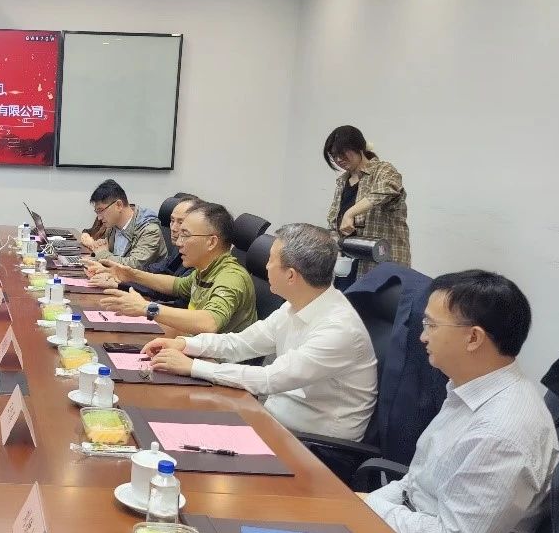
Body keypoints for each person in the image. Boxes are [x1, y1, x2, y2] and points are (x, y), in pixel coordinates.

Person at [365, 270, 557, 533]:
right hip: (412, 530)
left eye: (431, 325)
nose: (422, 336)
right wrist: (368, 505)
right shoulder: (468, 388)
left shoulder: (501, 433)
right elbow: (415, 482)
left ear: (473, 337)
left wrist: (372, 508)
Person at [142, 224, 377, 441]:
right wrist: (185, 345)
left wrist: (193, 367)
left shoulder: (338, 330)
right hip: (272, 419)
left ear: (291, 275)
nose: (265, 267)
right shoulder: (294, 305)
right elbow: (241, 344)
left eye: (271, 260)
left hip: (314, 445)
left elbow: (269, 379)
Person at [94, 201, 257, 336]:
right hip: (193, 347)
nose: (178, 242)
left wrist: (146, 308)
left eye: (185, 235)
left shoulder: (231, 278)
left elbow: (209, 323)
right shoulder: (205, 270)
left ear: (212, 242)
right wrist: (132, 274)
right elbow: (176, 285)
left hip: (216, 362)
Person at [324, 125, 411, 274]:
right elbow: (333, 223)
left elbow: (385, 190)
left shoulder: (383, 170)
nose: (338, 159)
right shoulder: (342, 182)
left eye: (342, 153)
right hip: (348, 264)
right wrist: (336, 251)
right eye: (334, 155)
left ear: (358, 147)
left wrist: (349, 213)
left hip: (382, 265)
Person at [77, 179, 166, 268]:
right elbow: (108, 254)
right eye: (97, 212)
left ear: (119, 205)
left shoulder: (149, 230)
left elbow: (133, 266)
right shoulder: (112, 225)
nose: (99, 218)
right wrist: (95, 255)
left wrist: (102, 254)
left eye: (101, 210)